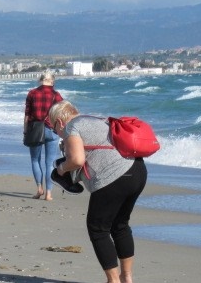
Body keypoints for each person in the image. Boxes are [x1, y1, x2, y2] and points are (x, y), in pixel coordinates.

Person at [48, 100, 147, 283]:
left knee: (97, 229)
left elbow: (77, 160)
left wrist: (61, 169)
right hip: (138, 171)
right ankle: (127, 278)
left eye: (55, 129)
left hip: (114, 177)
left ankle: (113, 281)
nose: (57, 133)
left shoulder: (71, 127)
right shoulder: (97, 119)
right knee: (120, 225)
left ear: (59, 122)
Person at [24, 71, 63, 201]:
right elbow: (61, 116)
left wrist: (25, 131)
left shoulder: (32, 93)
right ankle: (49, 194)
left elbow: (27, 115)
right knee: (50, 163)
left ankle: (39, 188)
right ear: (52, 81)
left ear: (40, 80)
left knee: (35, 160)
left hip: (35, 130)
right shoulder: (56, 95)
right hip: (52, 130)